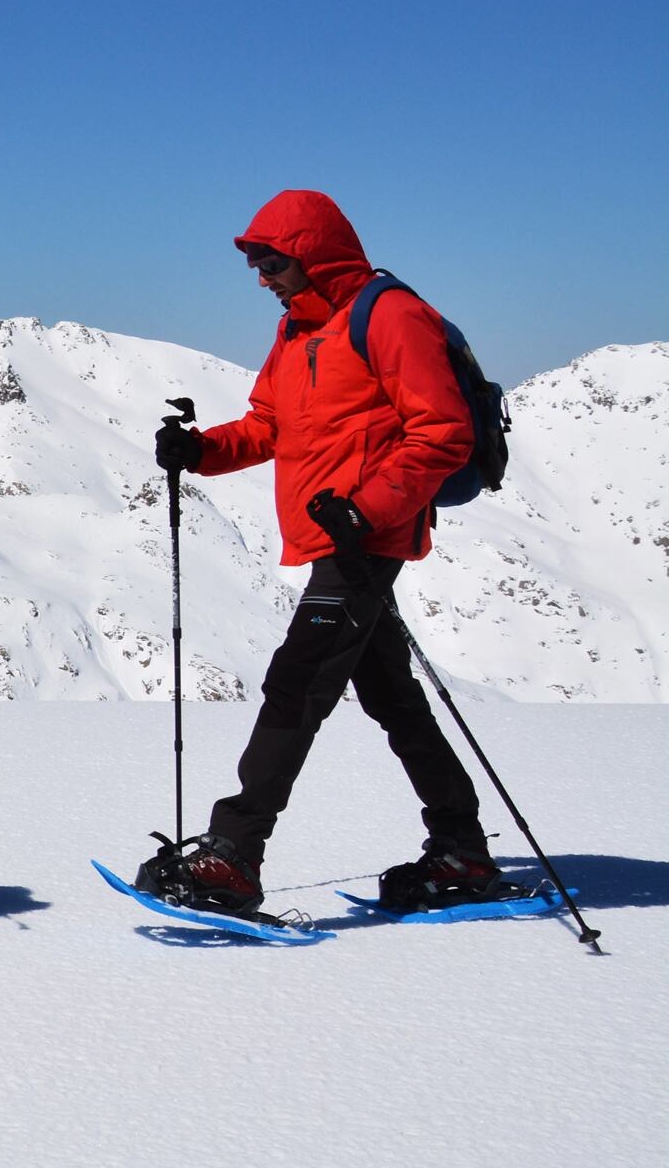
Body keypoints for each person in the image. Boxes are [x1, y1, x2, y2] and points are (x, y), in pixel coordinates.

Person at [141, 189, 498, 915]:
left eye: (271, 261)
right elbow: (269, 425)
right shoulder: (298, 332)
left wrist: (366, 510)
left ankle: (235, 854)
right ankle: (462, 850)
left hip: (366, 538)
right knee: (391, 697)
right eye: (256, 264)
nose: (261, 276)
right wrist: (201, 450)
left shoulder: (391, 316)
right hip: (335, 535)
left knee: (298, 682)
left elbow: (444, 432)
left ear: (312, 255)